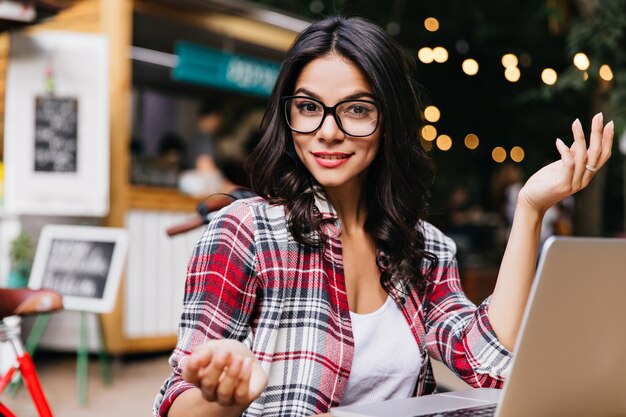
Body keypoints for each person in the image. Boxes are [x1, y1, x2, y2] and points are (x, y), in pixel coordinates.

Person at [154, 16, 614, 417]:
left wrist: (530, 208)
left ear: (389, 118)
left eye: (356, 110)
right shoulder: (245, 232)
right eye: (309, 108)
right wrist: (227, 395)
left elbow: (485, 363)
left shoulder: (423, 245)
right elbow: (177, 405)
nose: (328, 132)